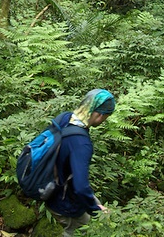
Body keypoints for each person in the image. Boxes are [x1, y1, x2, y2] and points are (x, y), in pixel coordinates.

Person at [46, 89, 115, 237]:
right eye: (106, 117)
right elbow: (81, 187)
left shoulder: (64, 118)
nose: (104, 121)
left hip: (51, 186)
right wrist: (95, 210)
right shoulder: (81, 143)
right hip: (64, 201)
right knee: (83, 229)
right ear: (100, 115)